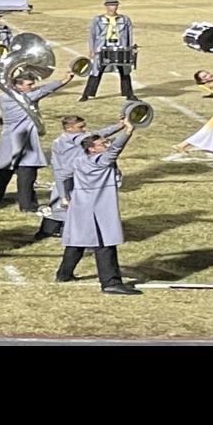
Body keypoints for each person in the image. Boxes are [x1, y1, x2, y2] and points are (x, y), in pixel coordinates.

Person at [56, 122, 143, 295]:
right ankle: (110, 282)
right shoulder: (101, 161)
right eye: (103, 144)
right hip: (97, 207)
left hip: (80, 205)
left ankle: (64, 274)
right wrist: (128, 131)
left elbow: (63, 174)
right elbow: (116, 149)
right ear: (92, 149)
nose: (107, 145)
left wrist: (64, 195)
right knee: (104, 244)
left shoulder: (78, 160)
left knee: (77, 241)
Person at [0, 71, 75, 211]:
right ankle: (27, 204)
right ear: (18, 86)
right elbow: (44, 90)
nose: (32, 87)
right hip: (24, 138)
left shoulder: (3, 96)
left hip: (8, 138)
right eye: (29, 84)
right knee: (27, 171)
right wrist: (64, 80)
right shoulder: (24, 98)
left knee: (3, 169)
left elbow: (39, 90)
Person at [35, 115, 124, 240]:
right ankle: (73, 233)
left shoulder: (59, 140)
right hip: (73, 176)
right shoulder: (77, 139)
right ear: (69, 128)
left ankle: (47, 231)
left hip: (62, 175)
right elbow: (98, 135)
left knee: (57, 205)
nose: (84, 129)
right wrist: (120, 127)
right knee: (75, 206)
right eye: (81, 127)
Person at [81, 0, 138, 101]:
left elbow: (129, 35)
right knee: (97, 71)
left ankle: (129, 94)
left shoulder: (124, 19)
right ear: (106, 6)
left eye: (116, 5)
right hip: (103, 47)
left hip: (120, 46)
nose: (114, 7)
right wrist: (92, 49)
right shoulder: (98, 20)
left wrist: (129, 49)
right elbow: (92, 35)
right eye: (112, 5)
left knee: (124, 70)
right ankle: (87, 94)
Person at [172, 71, 213, 154]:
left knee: (210, 129)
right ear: (203, 81)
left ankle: (182, 145)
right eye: (205, 76)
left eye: (207, 73)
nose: (209, 75)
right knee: (210, 129)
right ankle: (181, 145)